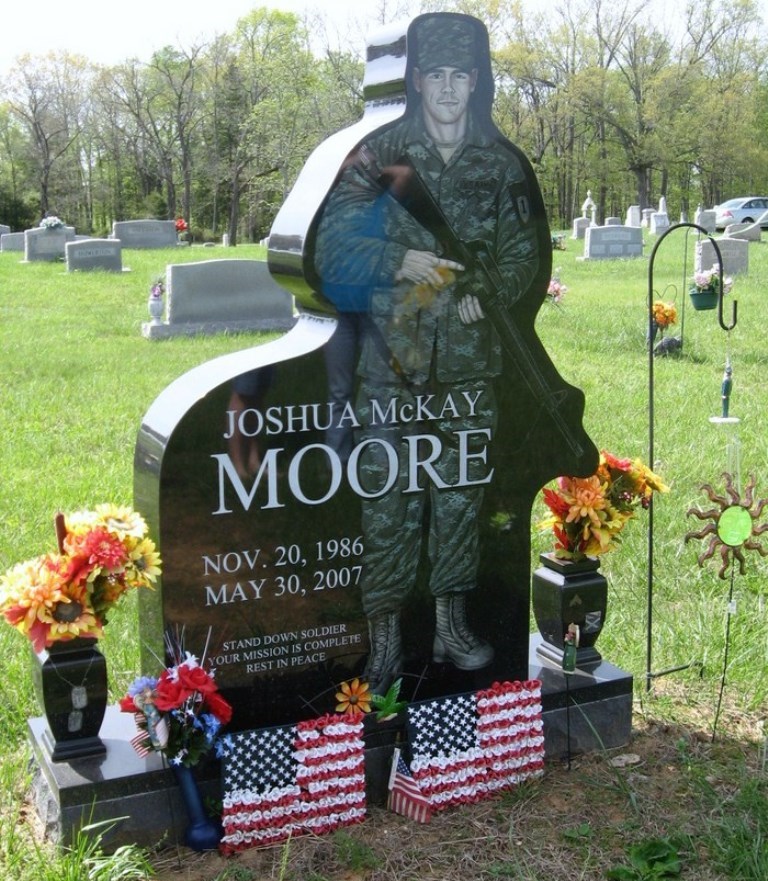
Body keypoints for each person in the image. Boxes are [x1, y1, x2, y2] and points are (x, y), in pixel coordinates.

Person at [314, 13, 548, 693]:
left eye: (460, 77)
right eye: (436, 76)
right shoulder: (379, 154)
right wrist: (399, 258)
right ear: (417, 81)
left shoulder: (501, 166)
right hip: (392, 364)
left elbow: (521, 253)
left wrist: (488, 289)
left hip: (471, 365)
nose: (448, 90)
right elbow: (331, 248)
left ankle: (449, 625)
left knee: (458, 498)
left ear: (475, 83)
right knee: (388, 500)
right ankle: (384, 641)